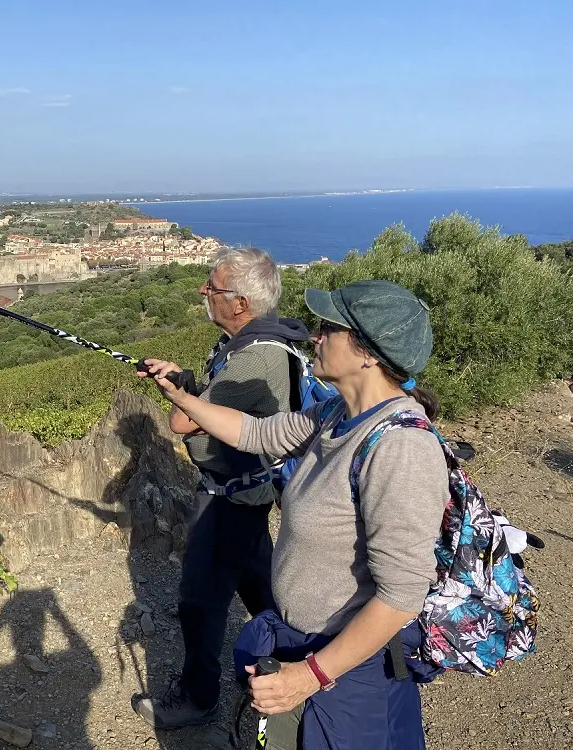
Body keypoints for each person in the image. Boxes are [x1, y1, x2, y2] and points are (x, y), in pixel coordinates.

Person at [139, 279, 449, 749]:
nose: (315, 336)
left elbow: (402, 596)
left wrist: (309, 676)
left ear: (367, 353)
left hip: (348, 672)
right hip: (309, 647)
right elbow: (257, 433)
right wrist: (183, 398)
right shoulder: (334, 414)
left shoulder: (401, 447)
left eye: (329, 328)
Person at [132, 248, 310, 729]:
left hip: (228, 498)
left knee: (200, 601)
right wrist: (188, 383)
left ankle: (197, 697)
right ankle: (292, 666)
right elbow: (218, 404)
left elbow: (180, 422)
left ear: (241, 303)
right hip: (251, 493)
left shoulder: (255, 360)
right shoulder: (260, 343)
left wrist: (179, 394)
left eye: (212, 287)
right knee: (262, 588)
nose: (202, 292)